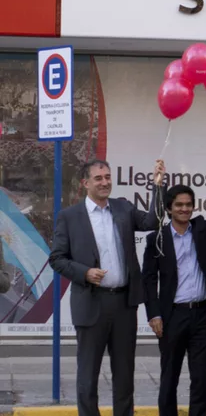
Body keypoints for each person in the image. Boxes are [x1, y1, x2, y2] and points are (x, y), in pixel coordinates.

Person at [49, 158, 164, 416]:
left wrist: (158, 187)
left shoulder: (123, 208)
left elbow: (152, 222)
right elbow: (56, 258)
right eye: (98, 178)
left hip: (124, 304)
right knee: (88, 376)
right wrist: (85, 273)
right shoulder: (70, 217)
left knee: (124, 375)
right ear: (85, 183)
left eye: (108, 177)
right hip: (91, 303)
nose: (105, 182)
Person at [142, 166, 206, 416]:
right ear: (169, 208)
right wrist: (154, 314)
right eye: (179, 205)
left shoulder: (202, 229)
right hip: (172, 316)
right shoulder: (157, 238)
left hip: (202, 315)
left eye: (189, 204)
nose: (184, 209)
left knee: (201, 378)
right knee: (169, 376)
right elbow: (148, 279)